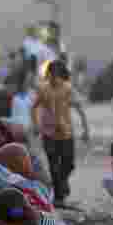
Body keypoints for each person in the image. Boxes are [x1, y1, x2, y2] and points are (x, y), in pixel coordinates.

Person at [30, 59, 90, 207]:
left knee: (68, 164)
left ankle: (62, 184)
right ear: (48, 74)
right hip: (48, 133)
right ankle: (58, 198)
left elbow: (79, 109)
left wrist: (85, 129)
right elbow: (34, 107)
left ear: (62, 75)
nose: (54, 78)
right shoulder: (43, 89)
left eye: (57, 75)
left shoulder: (68, 89)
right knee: (53, 165)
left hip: (66, 133)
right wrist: (36, 125)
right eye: (51, 74)